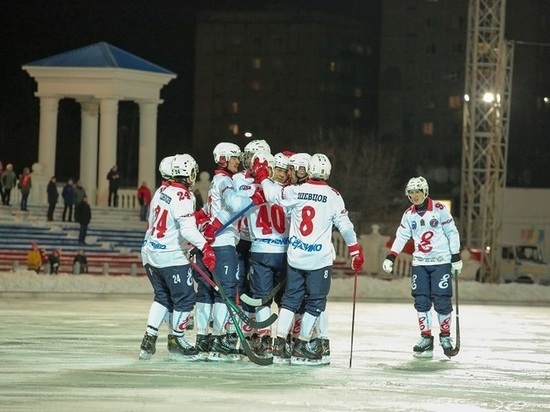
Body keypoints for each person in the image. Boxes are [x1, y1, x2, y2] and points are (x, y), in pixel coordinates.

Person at [253, 152, 364, 365]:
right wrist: (355, 250)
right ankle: (303, 345)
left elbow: (272, 194)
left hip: (295, 257)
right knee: (316, 301)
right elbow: (345, 226)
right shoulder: (333, 195)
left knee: (290, 300)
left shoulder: (297, 191)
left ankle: (278, 344)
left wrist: (263, 176)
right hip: (319, 260)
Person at [193, 142, 266, 361]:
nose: (237, 161)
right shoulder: (224, 180)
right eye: (234, 157)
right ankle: (219, 340)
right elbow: (234, 204)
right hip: (223, 243)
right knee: (224, 292)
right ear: (223, 158)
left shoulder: (219, 180)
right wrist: (254, 200)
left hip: (212, 242)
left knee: (206, 292)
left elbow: (210, 210)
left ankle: (203, 338)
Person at [139, 153, 216, 361]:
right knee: (185, 298)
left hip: (150, 252)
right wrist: (205, 247)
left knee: (162, 297)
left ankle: (150, 337)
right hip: (171, 256)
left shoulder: (161, 190)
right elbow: (188, 230)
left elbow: (156, 221)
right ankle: (177, 339)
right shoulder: (184, 196)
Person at [381, 176, 462, 359]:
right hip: (420, 263)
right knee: (421, 301)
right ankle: (426, 338)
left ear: (425, 192)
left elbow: (452, 232)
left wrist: (455, 256)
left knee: (442, 300)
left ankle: (445, 337)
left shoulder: (440, 210)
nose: (414, 196)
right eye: (411, 192)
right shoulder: (409, 214)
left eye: (418, 192)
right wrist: (391, 256)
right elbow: (402, 236)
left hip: (440, 262)